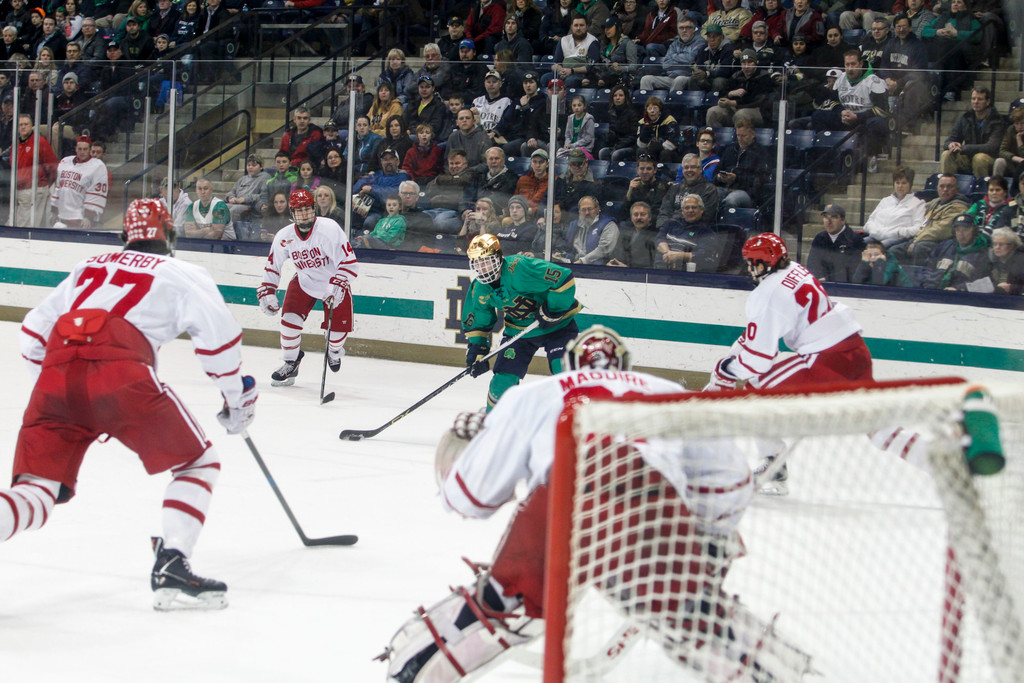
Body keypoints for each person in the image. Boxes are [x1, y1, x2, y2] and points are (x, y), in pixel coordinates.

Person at [382, 325, 812, 683]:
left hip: (562, 503)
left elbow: (472, 499)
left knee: (499, 608)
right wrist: (703, 539)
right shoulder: (668, 391)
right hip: (654, 503)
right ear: (625, 365)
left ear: (569, 365)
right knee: (695, 618)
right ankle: (779, 670)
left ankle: (412, 672)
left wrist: (473, 448)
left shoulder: (537, 393)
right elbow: (730, 482)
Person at [8, 198, 256, 610]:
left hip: (56, 374)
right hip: (119, 373)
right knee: (199, 463)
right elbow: (220, 344)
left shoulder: (88, 266)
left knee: (34, 494)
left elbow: (33, 333)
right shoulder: (184, 273)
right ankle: (173, 564)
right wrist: (237, 400)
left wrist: (56, 389)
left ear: (125, 236)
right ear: (169, 234)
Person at [462, 233, 581, 409]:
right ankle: (492, 425)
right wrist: (477, 348)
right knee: (501, 383)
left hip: (558, 326)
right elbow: (480, 317)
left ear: (498, 258)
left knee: (564, 370)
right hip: (519, 332)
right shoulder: (479, 288)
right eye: (477, 262)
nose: (482, 267)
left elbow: (563, 277)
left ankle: (578, 418)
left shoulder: (520, 267)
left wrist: (553, 309)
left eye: (486, 261)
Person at [258, 189, 358, 384]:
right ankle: (291, 362)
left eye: (307, 209)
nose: (304, 214)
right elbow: (273, 265)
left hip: (333, 283)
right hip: (304, 281)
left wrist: (339, 282)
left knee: (336, 335)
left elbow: (349, 262)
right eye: (299, 210)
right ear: (292, 213)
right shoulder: (284, 236)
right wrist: (268, 289)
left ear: (313, 209)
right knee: (288, 321)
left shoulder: (328, 229)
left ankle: (334, 350)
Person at [811, 49, 890, 171]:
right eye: (847, 65)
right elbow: (833, 102)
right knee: (818, 115)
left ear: (861, 64)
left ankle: (868, 159)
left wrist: (858, 117)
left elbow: (882, 110)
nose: (850, 68)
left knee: (877, 123)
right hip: (845, 118)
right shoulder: (841, 79)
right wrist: (841, 112)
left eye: (853, 64)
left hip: (864, 121)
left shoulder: (874, 81)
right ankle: (828, 153)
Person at [892, 173, 971, 266]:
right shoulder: (936, 202)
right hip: (920, 238)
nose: (945, 190)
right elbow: (915, 210)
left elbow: (941, 230)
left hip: (940, 242)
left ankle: (917, 278)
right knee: (893, 251)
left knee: (919, 248)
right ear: (937, 188)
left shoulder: (958, 207)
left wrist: (917, 240)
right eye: (942, 186)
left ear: (957, 189)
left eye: (949, 187)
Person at [940, 87, 1005, 179]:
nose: (976, 102)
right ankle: (949, 187)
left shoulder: (997, 120)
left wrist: (964, 148)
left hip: (990, 158)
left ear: (988, 101)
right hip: (968, 157)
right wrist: (951, 144)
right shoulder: (966, 118)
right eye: (973, 98)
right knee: (946, 154)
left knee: (979, 158)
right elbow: (948, 141)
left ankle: (981, 189)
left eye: (980, 99)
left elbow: (992, 147)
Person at [919, 213, 991, 290]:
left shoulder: (982, 254)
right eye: (958, 230)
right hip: (932, 292)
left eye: (965, 230)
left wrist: (958, 288)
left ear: (974, 231)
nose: (961, 234)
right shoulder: (944, 246)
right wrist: (928, 283)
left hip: (961, 297)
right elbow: (927, 267)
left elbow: (980, 282)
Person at [49, 135, 108, 229]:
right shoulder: (65, 162)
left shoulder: (97, 166)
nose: (82, 152)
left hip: (80, 220)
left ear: (89, 150)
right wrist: (54, 211)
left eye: (85, 149)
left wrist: (88, 216)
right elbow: (59, 188)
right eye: (80, 149)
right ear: (75, 149)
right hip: (62, 217)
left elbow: (96, 194)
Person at [704, 49, 773, 128]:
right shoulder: (737, 75)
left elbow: (758, 100)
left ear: (756, 63)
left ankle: (741, 139)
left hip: (758, 111)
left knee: (741, 114)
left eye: (750, 62)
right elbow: (722, 92)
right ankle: (715, 138)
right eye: (743, 63)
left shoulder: (764, 77)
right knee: (713, 111)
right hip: (735, 108)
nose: (746, 66)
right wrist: (729, 94)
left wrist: (733, 103)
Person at [862, 165, 927, 249]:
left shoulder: (918, 204)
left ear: (910, 184)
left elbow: (918, 228)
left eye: (904, 183)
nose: (900, 186)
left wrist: (898, 232)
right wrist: (875, 231)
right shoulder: (885, 201)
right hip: (875, 236)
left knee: (878, 248)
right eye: (897, 183)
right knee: (857, 244)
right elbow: (869, 222)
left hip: (896, 239)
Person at [715, 117, 770, 210]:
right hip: (724, 188)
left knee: (730, 201)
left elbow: (759, 180)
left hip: (746, 193)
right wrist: (719, 177)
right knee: (707, 195)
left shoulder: (760, 152)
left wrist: (736, 178)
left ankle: (727, 224)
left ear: (753, 134)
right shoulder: (730, 149)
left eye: (744, 136)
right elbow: (716, 171)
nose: (740, 139)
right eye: (738, 135)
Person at [14, 114, 58, 228]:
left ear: (31, 126)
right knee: (17, 223)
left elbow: (52, 165)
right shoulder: (16, 143)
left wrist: (43, 184)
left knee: (27, 225)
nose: (23, 127)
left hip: (34, 190)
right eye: (20, 125)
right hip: (19, 190)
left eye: (26, 124)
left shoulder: (39, 142)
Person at [638, 17, 706, 91]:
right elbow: (666, 64)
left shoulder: (700, 42)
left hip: (688, 77)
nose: (684, 31)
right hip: (671, 77)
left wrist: (673, 56)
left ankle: (671, 101)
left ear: (694, 29)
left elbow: (691, 59)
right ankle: (651, 103)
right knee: (646, 79)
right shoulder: (674, 44)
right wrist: (683, 60)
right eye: (681, 28)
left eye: (688, 28)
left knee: (679, 80)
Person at [655, 193, 718, 271]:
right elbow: (659, 239)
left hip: (684, 274)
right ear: (682, 211)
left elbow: (703, 255)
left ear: (701, 210)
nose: (690, 210)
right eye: (687, 208)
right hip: (658, 271)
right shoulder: (672, 223)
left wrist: (679, 256)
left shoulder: (706, 231)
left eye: (694, 207)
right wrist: (668, 252)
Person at [806, 203, 866, 283]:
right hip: (822, 285)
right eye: (825, 217)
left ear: (843, 220)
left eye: (833, 217)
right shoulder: (819, 238)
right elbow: (812, 265)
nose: (829, 222)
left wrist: (828, 279)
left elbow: (853, 270)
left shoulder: (854, 240)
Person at [661, 152, 721, 228]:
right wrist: (663, 229)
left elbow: (706, 217)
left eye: (693, 167)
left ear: (700, 169)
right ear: (682, 170)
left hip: (695, 232)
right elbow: (664, 212)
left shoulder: (709, 190)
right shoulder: (675, 188)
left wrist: (675, 227)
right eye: (686, 167)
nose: (689, 170)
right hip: (669, 230)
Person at [548, 13, 601, 89]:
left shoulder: (592, 41)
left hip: (581, 74)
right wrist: (562, 70)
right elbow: (554, 64)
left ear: (587, 26)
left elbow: (591, 67)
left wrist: (571, 71)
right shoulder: (564, 40)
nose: (578, 28)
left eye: (581, 25)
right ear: (571, 27)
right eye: (576, 25)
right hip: (563, 72)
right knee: (545, 78)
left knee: (570, 81)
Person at [563, 194, 619, 264]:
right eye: (583, 209)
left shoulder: (609, 225)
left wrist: (582, 261)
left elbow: (604, 250)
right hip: (575, 266)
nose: (587, 213)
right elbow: (568, 248)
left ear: (598, 209)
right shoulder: (574, 225)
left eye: (590, 209)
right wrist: (562, 256)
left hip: (599, 269)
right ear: (579, 211)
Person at [225, 153, 270, 237]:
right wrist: (231, 197)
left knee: (234, 210)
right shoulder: (243, 179)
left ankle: (230, 235)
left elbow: (262, 196)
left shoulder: (265, 178)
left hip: (250, 206)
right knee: (222, 207)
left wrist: (245, 199)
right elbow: (231, 191)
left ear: (261, 166)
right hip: (236, 203)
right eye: (248, 165)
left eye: (254, 165)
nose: (250, 167)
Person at [608, 201, 658, 267]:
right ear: (631, 218)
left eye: (643, 214)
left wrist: (627, 268)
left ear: (649, 218)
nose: (639, 218)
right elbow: (614, 255)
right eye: (636, 215)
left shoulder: (655, 237)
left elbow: (655, 267)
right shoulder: (624, 234)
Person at [625, 152, 669, 222]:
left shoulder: (663, 186)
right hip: (635, 221)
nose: (645, 172)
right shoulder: (633, 184)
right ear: (637, 170)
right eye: (642, 168)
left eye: (649, 169)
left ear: (655, 170)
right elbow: (624, 211)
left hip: (652, 223)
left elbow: (657, 210)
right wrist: (630, 191)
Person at [635, 96, 681, 163]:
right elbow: (641, 144)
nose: (652, 111)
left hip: (668, 150)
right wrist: (646, 127)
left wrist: (660, 147)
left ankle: (666, 172)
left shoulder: (669, 121)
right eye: (649, 108)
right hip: (650, 149)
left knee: (665, 153)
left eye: (655, 108)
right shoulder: (642, 122)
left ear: (660, 111)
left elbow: (674, 141)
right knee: (641, 151)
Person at [558, 94, 596, 159]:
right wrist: (567, 145)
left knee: (574, 156)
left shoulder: (589, 119)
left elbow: (589, 138)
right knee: (559, 154)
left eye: (579, 105)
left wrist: (573, 145)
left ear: (584, 106)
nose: (576, 108)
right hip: (571, 148)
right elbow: (567, 136)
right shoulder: (570, 118)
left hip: (584, 148)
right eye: (574, 105)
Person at [987, 227, 1024, 294]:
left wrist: (1012, 288)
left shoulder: (1021, 262)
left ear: (1012, 246)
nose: (997, 247)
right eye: (995, 244)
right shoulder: (989, 260)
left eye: (1001, 244)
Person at [514, 148, 550, 215]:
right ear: (531, 164)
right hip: (521, 214)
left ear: (547, 164)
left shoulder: (552, 181)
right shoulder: (522, 180)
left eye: (541, 162)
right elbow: (515, 199)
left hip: (540, 215)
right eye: (534, 162)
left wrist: (533, 211)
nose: (537, 165)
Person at [993, 106, 1024, 180]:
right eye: (1016, 123)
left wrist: (1019, 141)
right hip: (1014, 164)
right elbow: (1002, 151)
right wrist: (1016, 158)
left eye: (1022, 123)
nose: (1019, 127)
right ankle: (996, 185)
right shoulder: (1011, 130)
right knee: (999, 161)